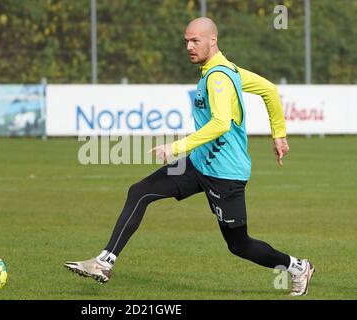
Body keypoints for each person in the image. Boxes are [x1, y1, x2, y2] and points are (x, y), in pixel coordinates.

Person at [65, 17, 315, 296]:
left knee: (239, 245)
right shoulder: (225, 70)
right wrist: (278, 134)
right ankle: (104, 261)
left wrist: (175, 147)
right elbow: (269, 90)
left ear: (213, 40)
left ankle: (297, 267)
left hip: (225, 175)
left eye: (195, 41)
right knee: (141, 191)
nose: (189, 46)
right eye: (186, 41)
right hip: (198, 165)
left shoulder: (219, 76)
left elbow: (220, 123)